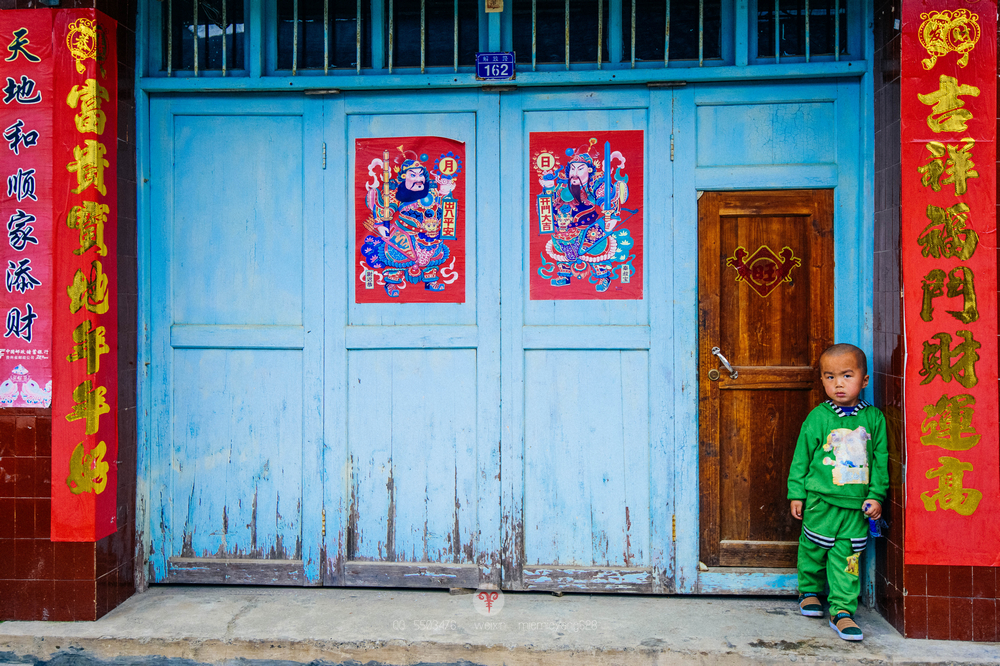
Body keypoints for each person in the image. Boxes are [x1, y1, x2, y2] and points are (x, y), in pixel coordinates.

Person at [787, 343, 887, 641]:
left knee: (848, 559)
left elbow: (881, 461)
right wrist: (797, 493)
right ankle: (809, 591)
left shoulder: (873, 419)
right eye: (830, 377)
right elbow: (801, 457)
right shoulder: (818, 417)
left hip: (856, 508)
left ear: (864, 380)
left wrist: (876, 495)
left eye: (846, 375)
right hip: (820, 502)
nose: (838, 384)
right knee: (813, 550)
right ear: (821, 380)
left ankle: (842, 610)